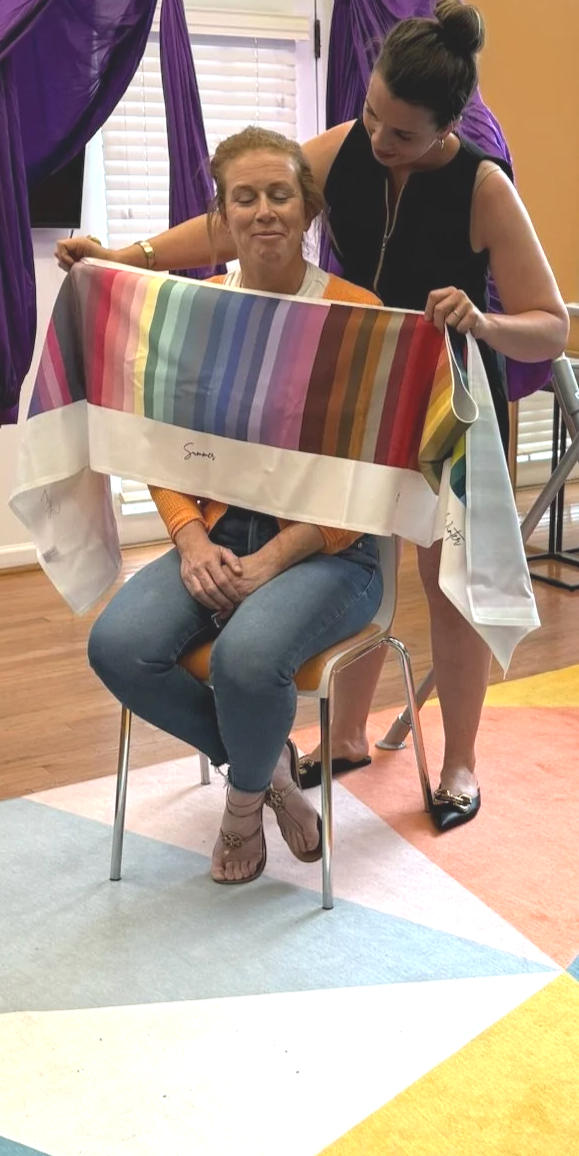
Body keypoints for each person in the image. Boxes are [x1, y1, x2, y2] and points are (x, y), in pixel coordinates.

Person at [60, 0, 568, 832]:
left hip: (443, 403)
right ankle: (345, 736)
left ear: (447, 127)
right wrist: (128, 255)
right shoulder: (346, 147)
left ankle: (461, 762)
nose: (377, 139)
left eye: (401, 133)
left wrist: (483, 322)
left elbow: (551, 324)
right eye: (370, 115)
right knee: (356, 537)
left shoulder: (483, 187)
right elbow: (242, 219)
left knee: (452, 587)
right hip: (345, 392)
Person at [86, 127, 386, 884]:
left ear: (308, 207)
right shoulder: (194, 311)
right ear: (220, 217)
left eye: (280, 194)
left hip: (331, 550)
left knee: (246, 662)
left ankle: (244, 809)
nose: (264, 212)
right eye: (244, 198)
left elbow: (370, 481)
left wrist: (275, 557)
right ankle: (268, 770)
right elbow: (161, 448)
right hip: (218, 533)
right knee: (117, 646)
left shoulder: (358, 315)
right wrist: (189, 539)